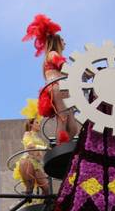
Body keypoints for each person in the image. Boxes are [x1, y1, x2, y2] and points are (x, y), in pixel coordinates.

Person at [23, 14, 78, 144]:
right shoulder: (53, 54)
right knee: (62, 118)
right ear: (57, 42)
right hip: (57, 87)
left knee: (74, 128)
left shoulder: (52, 55)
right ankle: (60, 146)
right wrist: (80, 71)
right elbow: (64, 66)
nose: (65, 42)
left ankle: (64, 146)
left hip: (62, 88)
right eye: (63, 40)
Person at [13, 99, 51, 194]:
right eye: (37, 123)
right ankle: (29, 194)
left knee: (46, 188)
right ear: (31, 124)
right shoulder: (27, 134)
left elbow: (43, 149)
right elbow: (30, 146)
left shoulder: (38, 138)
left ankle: (45, 203)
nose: (39, 125)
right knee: (29, 187)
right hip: (28, 161)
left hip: (37, 164)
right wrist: (43, 148)